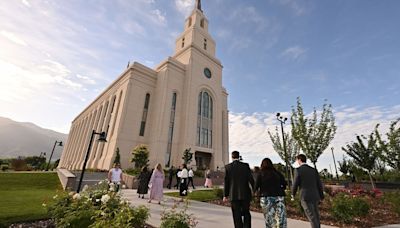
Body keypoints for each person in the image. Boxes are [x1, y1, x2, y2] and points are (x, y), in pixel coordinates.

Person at [223, 151, 255, 228]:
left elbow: (226, 182)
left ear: (232, 157)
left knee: (236, 214)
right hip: (245, 194)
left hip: (233, 195)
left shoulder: (228, 167)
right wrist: (254, 189)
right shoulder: (245, 166)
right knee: (246, 212)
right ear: (239, 156)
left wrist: (225, 195)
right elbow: (251, 179)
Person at [292, 154, 324, 228]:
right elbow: (319, 184)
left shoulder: (298, 170)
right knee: (316, 216)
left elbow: (295, 183)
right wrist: (321, 196)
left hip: (305, 197)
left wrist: (293, 194)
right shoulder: (313, 170)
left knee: (312, 217)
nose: (297, 162)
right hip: (315, 196)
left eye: (297, 160)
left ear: (299, 160)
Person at [254, 158, 287, 228]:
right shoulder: (277, 173)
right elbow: (284, 184)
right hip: (278, 197)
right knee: (280, 218)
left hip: (266, 197)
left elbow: (256, 186)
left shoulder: (260, 173)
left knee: (269, 218)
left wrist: (255, 194)